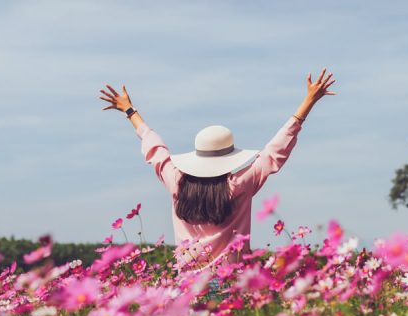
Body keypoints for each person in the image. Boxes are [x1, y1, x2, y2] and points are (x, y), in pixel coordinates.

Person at [99, 68, 336, 267]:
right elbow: (275, 151)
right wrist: (308, 102)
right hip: (231, 282)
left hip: (188, 287)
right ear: (230, 156)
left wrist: (130, 111)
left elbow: (155, 148)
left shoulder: (177, 181)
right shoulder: (241, 183)